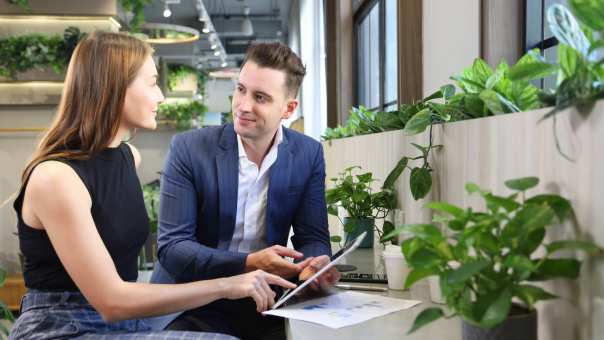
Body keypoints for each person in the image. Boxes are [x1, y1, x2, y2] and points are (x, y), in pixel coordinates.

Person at [9, 31, 296, 340]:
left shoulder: (128, 157)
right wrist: (228, 285)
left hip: (125, 325)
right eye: (152, 83)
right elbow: (112, 301)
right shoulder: (56, 178)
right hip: (60, 329)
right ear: (114, 87)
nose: (161, 96)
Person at [150, 42, 340, 340]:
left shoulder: (307, 154)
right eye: (241, 90)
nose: (243, 105)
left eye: (260, 97)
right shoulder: (189, 149)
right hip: (195, 300)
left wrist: (314, 265)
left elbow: (313, 238)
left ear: (288, 109)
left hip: (268, 300)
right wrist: (249, 262)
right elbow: (173, 248)